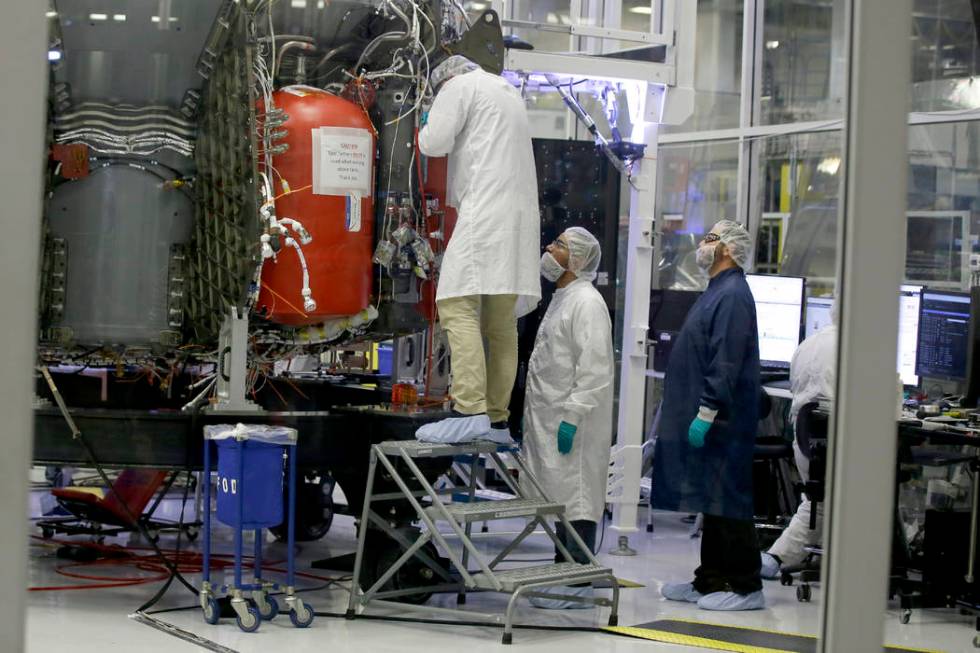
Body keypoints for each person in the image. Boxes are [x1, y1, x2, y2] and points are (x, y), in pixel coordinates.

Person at [415, 55, 541, 444]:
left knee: (455, 303)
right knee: (501, 324)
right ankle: (498, 421)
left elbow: (434, 143)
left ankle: (468, 409)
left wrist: (423, 123)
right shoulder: (506, 90)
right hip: (519, 220)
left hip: (485, 212)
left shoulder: (458, 87)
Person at [653, 220, 766, 612]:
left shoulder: (733, 294)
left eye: (712, 239)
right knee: (713, 502)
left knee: (729, 501)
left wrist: (707, 410)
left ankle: (746, 585)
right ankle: (710, 581)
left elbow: (727, 359)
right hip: (713, 417)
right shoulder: (717, 290)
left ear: (729, 250)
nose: (704, 244)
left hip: (724, 420)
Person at [522, 227, 614, 610]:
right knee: (562, 496)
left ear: (576, 259)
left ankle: (577, 578)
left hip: (572, 421)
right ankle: (565, 570)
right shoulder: (564, 297)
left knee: (576, 496)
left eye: (558, 245)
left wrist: (572, 417)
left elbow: (595, 370)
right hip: (551, 416)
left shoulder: (587, 303)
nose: (548, 247)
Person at [760, 306, 836, 578]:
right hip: (842, 448)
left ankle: (776, 558)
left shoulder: (807, 345)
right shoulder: (861, 348)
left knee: (817, 502)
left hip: (807, 443)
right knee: (824, 504)